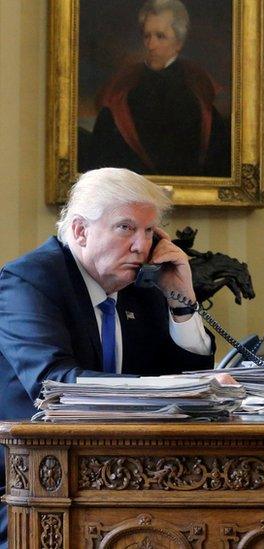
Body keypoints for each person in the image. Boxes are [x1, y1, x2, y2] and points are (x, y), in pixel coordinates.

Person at [0, 167, 216, 548]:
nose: (141, 247)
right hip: (28, 484)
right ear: (81, 231)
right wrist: (161, 392)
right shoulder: (29, 281)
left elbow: (184, 377)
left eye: (150, 232)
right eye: (126, 228)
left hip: (119, 478)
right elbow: (54, 383)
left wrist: (182, 302)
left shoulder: (143, 289)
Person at [85, 0, 230, 177]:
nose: (151, 45)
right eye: (147, 36)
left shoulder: (197, 91)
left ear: (179, 43)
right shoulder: (124, 88)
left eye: (160, 36)